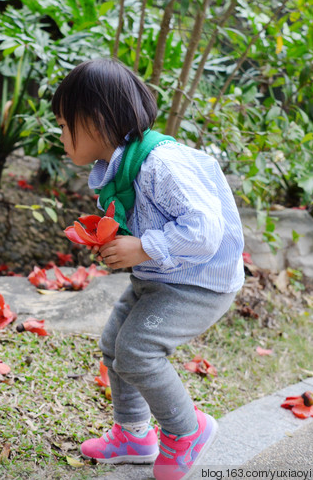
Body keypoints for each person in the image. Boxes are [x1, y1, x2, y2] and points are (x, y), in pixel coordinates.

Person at [52, 58, 244, 480]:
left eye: (66, 124)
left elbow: (205, 230)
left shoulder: (161, 163)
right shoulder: (120, 168)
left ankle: (186, 431)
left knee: (138, 351)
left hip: (198, 283)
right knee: (115, 344)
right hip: (160, 277)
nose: (61, 135)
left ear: (96, 119)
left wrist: (142, 246)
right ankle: (134, 436)